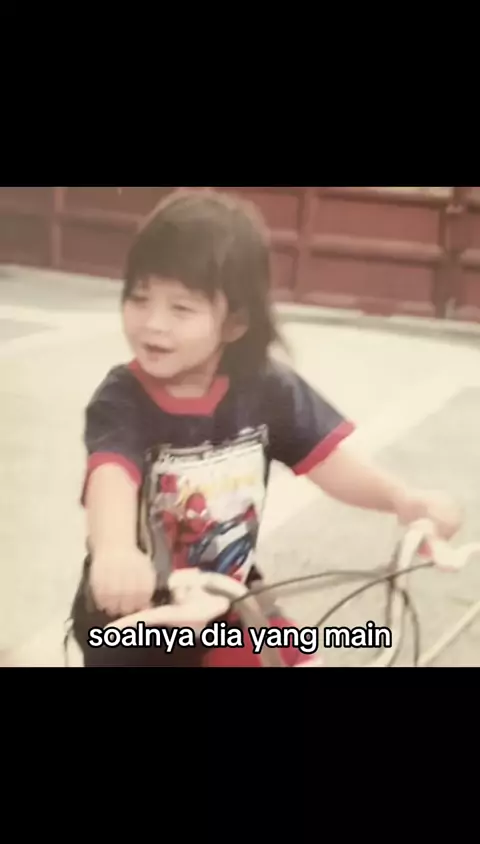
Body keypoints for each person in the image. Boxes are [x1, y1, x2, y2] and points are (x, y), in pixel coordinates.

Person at [69, 188, 462, 667]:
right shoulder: (124, 397)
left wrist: (403, 499)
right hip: (140, 614)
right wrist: (114, 550)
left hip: (231, 597)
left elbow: (328, 461)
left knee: (294, 660)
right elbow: (111, 475)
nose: (153, 323)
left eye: (181, 309)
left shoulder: (266, 387)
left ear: (235, 323)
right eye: (139, 299)